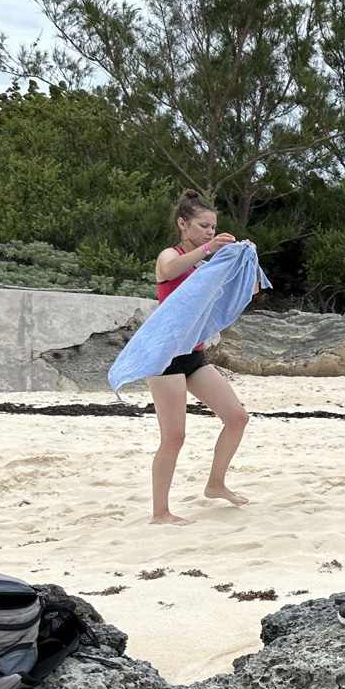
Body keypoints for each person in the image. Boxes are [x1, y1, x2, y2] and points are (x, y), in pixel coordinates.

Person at [148, 190, 252, 525]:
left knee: (237, 417)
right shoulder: (172, 255)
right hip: (165, 357)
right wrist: (209, 249)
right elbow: (167, 270)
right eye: (203, 226)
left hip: (193, 355)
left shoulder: (204, 266)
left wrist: (246, 261)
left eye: (213, 227)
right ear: (183, 224)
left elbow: (244, 293)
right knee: (173, 437)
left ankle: (215, 484)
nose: (210, 231)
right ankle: (160, 513)